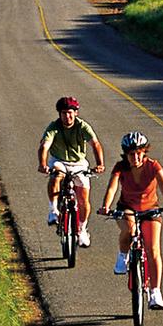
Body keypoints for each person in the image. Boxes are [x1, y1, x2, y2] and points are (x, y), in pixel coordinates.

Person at [100, 131, 163, 310]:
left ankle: (155, 292)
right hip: (127, 208)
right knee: (130, 229)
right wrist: (106, 206)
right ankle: (123, 256)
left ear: (144, 152)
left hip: (151, 210)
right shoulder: (120, 167)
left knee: (153, 249)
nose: (135, 157)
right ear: (125, 154)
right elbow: (112, 188)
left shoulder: (153, 166)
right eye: (131, 154)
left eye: (138, 153)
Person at [38, 95, 103, 247]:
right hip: (59, 161)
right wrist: (42, 164)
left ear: (76, 113)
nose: (67, 116)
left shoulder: (82, 126)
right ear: (59, 114)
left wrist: (100, 164)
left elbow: (96, 144)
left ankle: (81, 229)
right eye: (64, 113)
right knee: (56, 175)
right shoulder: (53, 127)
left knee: (83, 199)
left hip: (79, 163)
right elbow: (44, 146)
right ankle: (53, 210)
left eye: (70, 112)